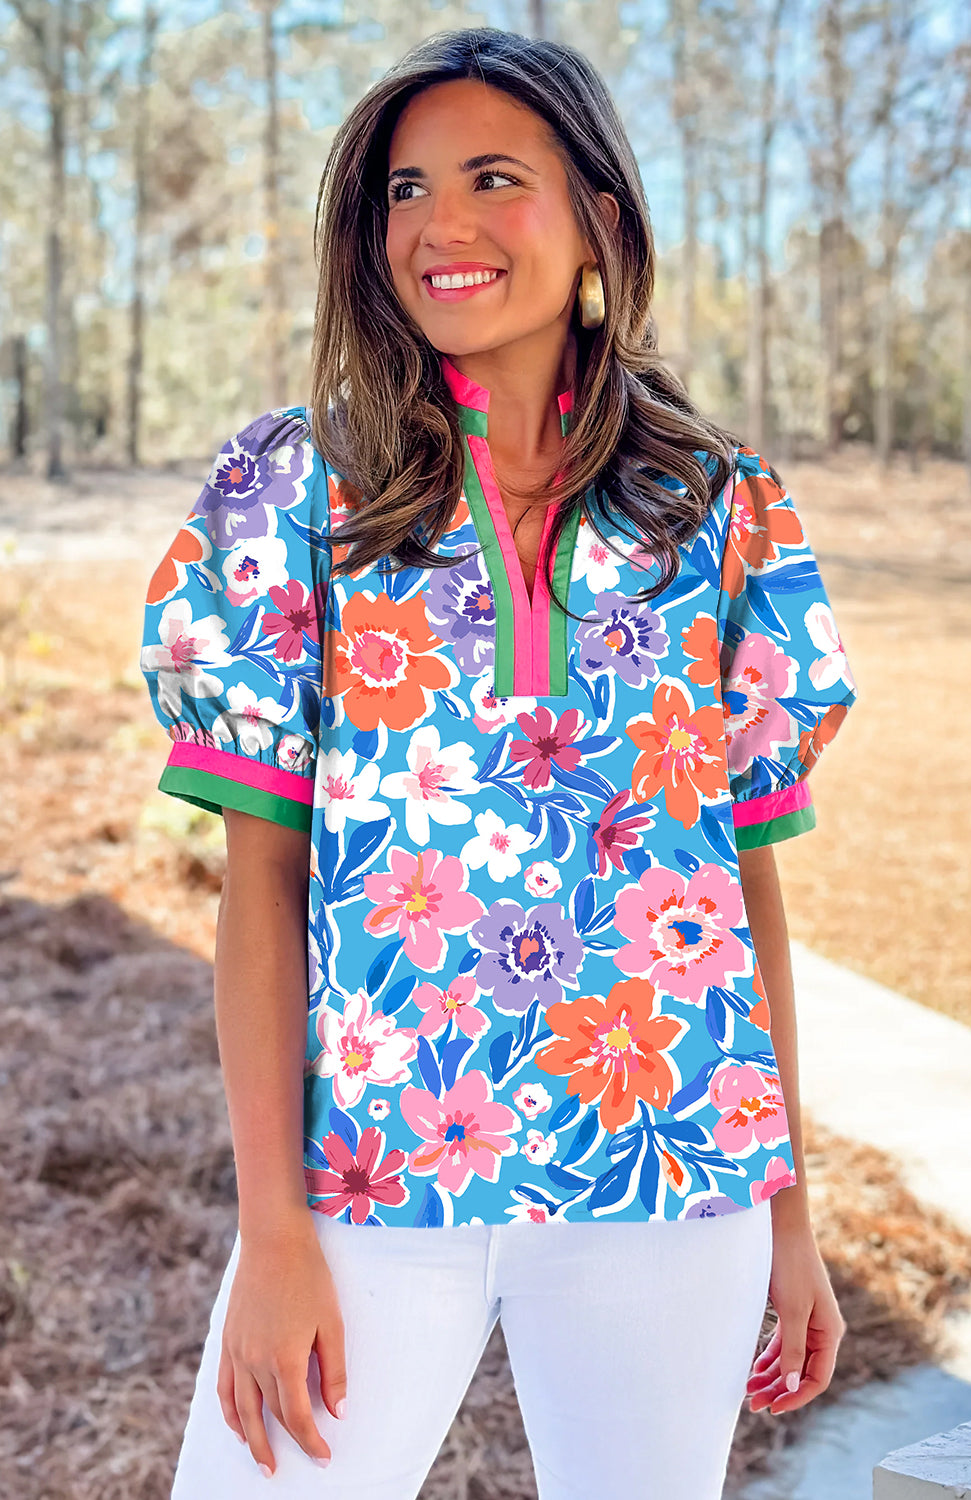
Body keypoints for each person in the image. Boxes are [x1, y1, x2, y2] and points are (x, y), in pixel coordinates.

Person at [140, 25, 857, 1500]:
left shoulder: (715, 507)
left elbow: (737, 888)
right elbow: (257, 891)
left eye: (489, 178)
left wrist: (788, 1215)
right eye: (404, 191)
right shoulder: (295, 491)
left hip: (672, 1186)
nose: (439, 227)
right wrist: (273, 1233)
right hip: (368, 1196)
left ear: (599, 214)